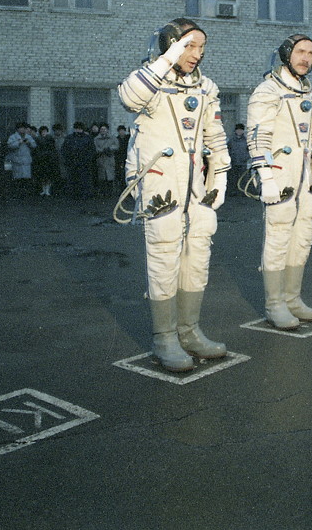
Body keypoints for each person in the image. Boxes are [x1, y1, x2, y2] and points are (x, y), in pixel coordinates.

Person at [117, 18, 230, 372]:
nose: (196, 54)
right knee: (164, 255)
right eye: (188, 46)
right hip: (160, 183)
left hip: (194, 187)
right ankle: (165, 337)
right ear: (170, 45)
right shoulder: (151, 82)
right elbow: (127, 97)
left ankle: (190, 331)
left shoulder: (206, 88)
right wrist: (167, 58)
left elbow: (215, 135)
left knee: (198, 255)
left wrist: (220, 176)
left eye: (200, 48)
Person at [247, 33, 312, 330]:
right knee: (279, 234)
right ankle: (275, 304)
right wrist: (266, 177)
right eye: (300, 52)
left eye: (311, 53)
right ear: (287, 54)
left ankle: (293, 298)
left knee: (303, 233)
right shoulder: (267, 91)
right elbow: (258, 137)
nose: (306, 58)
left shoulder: (311, 94)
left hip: (304, 175)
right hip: (280, 173)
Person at [61, 122, 96, 200]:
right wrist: (68, 160)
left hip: (84, 163)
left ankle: (84, 195)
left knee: (84, 180)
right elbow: (64, 150)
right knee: (73, 180)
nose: (78, 130)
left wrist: (87, 160)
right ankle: (74, 195)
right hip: (73, 163)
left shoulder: (87, 138)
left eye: (79, 129)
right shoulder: (69, 138)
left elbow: (92, 151)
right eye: (77, 128)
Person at [6, 122, 38, 195]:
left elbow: (34, 145)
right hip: (17, 161)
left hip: (26, 161)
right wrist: (18, 142)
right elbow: (9, 145)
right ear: (17, 129)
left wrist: (29, 143)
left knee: (26, 179)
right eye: (21, 128)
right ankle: (17, 194)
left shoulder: (28, 137)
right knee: (17, 179)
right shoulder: (13, 137)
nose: (22, 130)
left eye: (24, 128)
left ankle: (25, 194)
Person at [32, 126, 60, 197]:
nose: (44, 132)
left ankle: (47, 190)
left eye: (45, 131)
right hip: (41, 160)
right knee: (42, 176)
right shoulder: (37, 139)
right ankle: (43, 190)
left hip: (48, 160)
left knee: (48, 176)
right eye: (42, 131)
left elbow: (53, 149)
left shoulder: (50, 138)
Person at [93, 123, 119, 196]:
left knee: (110, 177)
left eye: (104, 129)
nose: (103, 130)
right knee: (102, 177)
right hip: (101, 159)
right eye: (101, 129)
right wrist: (101, 150)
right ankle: (103, 192)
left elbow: (116, 146)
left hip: (109, 159)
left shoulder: (112, 138)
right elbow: (95, 148)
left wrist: (109, 149)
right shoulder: (96, 139)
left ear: (107, 130)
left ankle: (110, 192)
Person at [226, 123, 249, 196]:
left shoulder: (246, 140)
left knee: (243, 178)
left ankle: (243, 191)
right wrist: (230, 157)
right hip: (233, 162)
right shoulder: (231, 140)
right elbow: (228, 149)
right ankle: (233, 191)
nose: (239, 131)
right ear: (235, 131)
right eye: (238, 130)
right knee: (233, 178)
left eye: (241, 130)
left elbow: (249, 150)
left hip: (243, 162)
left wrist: (246, 157)